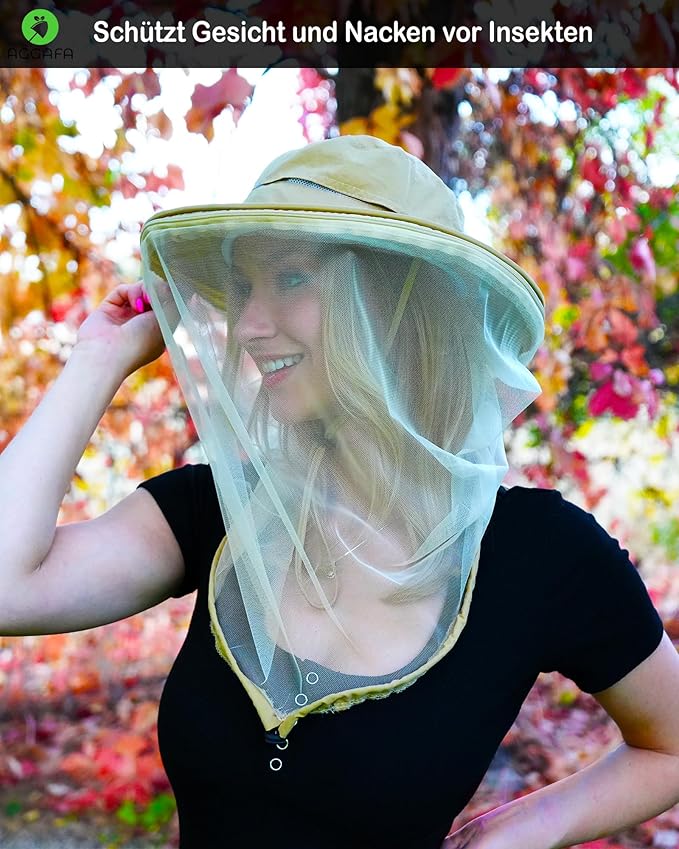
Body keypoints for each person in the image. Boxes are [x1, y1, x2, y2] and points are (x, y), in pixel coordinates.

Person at [0, 135, 677, 849]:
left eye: (289, 278)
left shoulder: (539, 554)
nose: (251, 324)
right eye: (244, 287)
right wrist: (96, 360)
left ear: (396, 298)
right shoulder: (220, 511)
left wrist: (527, 825)